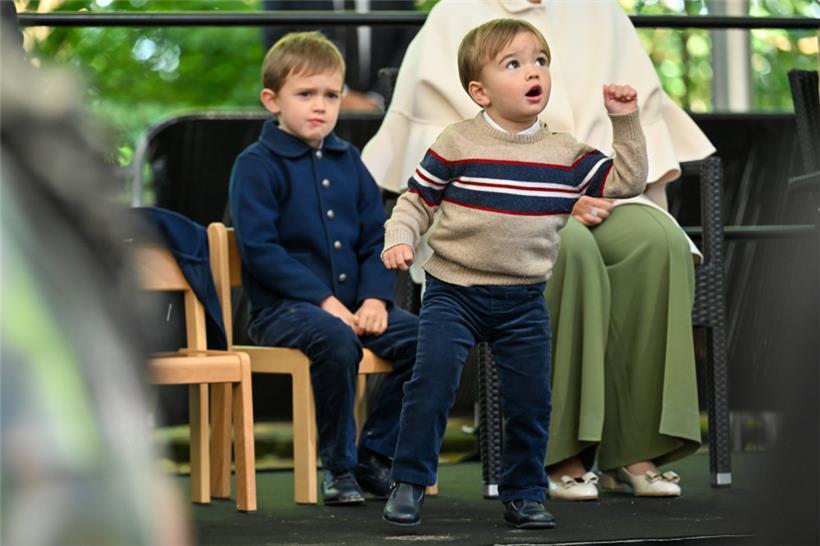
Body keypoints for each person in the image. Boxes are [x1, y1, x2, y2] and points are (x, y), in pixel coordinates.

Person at [363, 0, 715, 502]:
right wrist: (552, 197)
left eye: (541, 62)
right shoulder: (453, 15)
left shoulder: (603, 13)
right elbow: (427, 163)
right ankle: (561, 453)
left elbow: (630, 167)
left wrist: (619, 128)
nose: (534, 72)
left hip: (594, 184)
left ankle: (637, 447)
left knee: (657, 241)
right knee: (569, 247)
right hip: (495, 221)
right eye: (516, 64)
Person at [228, 31, 419, 506]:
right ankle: (339, 468)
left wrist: (375, 298)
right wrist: (325, 302)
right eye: (305, 94)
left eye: (331, 95)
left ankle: (375, 453)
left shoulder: (348, 160)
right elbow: (261, 249)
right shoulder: (256, 164)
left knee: (430, 340)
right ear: (272, 100)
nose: (320, 106)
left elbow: (375, 237)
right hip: (283, 311)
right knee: (336, 339)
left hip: (356, 307)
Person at [262, 0, 419, 111]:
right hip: (306, 113)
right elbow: (278, 44)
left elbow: (409, 43)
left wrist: (377, 98)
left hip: (384, 111)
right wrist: (338, 94)